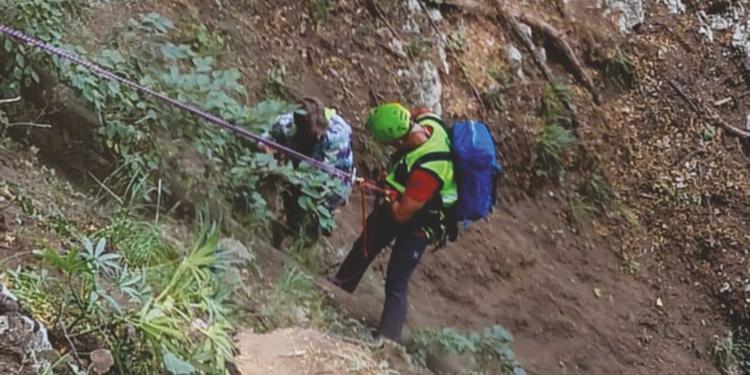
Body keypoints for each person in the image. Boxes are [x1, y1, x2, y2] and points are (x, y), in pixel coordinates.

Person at [330, 103, 457, 341]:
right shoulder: (426, 120)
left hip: (422, 220)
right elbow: (423, 109)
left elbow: (401, 214)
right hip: (404, 198)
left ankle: (388, 340)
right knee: (366, 243)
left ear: (399, 142)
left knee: (396, 278)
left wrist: (388, 191)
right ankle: (337, 289)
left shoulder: (429, 169)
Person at [261, 97, 354, 246]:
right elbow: (265, 140)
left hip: (333, 179)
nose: (318, 135)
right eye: (313, 133)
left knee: (311, 206)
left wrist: (286, 174)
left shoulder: (337, 137)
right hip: (297, 162)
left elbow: (322, 181)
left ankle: (314, 226)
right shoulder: (286, 124)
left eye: (320, 132)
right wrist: (270, 155)